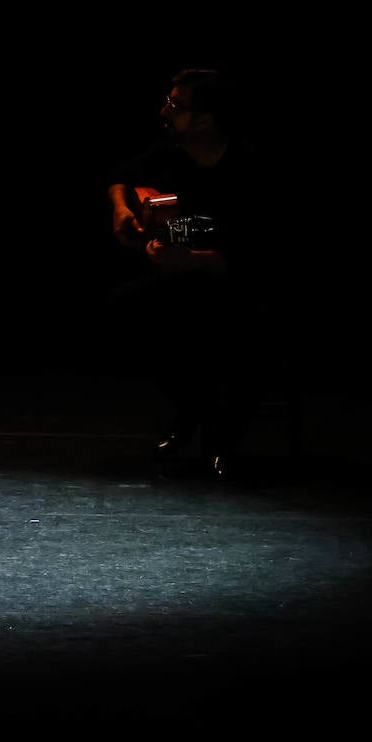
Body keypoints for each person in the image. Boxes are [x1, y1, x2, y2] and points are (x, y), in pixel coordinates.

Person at [105, 67, 286, 479]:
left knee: (243, 332)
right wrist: (122, 210)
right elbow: (120, 177)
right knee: (125, 310)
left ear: (206, 119)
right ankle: (194, 410)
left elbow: (257, 259)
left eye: (176, 105)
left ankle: (223, 435)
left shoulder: (252, 171)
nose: (164, 111)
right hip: (188, 282)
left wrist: (192, 260)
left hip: (244, 287)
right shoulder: (172, 154)